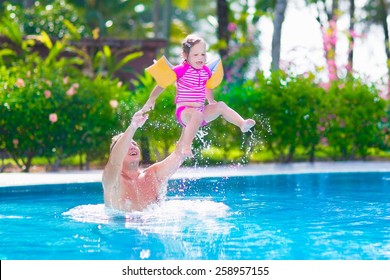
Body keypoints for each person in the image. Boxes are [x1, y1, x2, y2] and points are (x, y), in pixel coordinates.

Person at [142, 34, 256, 157]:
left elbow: (207, 86)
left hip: (201, 112)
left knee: (221, 105)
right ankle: (186, 146)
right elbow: (162, 84)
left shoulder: (205, 71)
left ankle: (242, 124)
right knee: (197, 114)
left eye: (203, 54)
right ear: (186, 56)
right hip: (184, 112)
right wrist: (151, 99)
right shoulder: (180, 69)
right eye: (195, 55)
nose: (200, 57)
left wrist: (212, 102)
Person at [102, 110, 188, 212]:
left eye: (134, 144)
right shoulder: (113, 181)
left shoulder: (153, 175)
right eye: (127, 146)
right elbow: (115, 161)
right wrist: (133, 126)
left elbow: (179, 154)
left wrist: (187, 123)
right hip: (121, 226)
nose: (132, 147)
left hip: (153, 225)